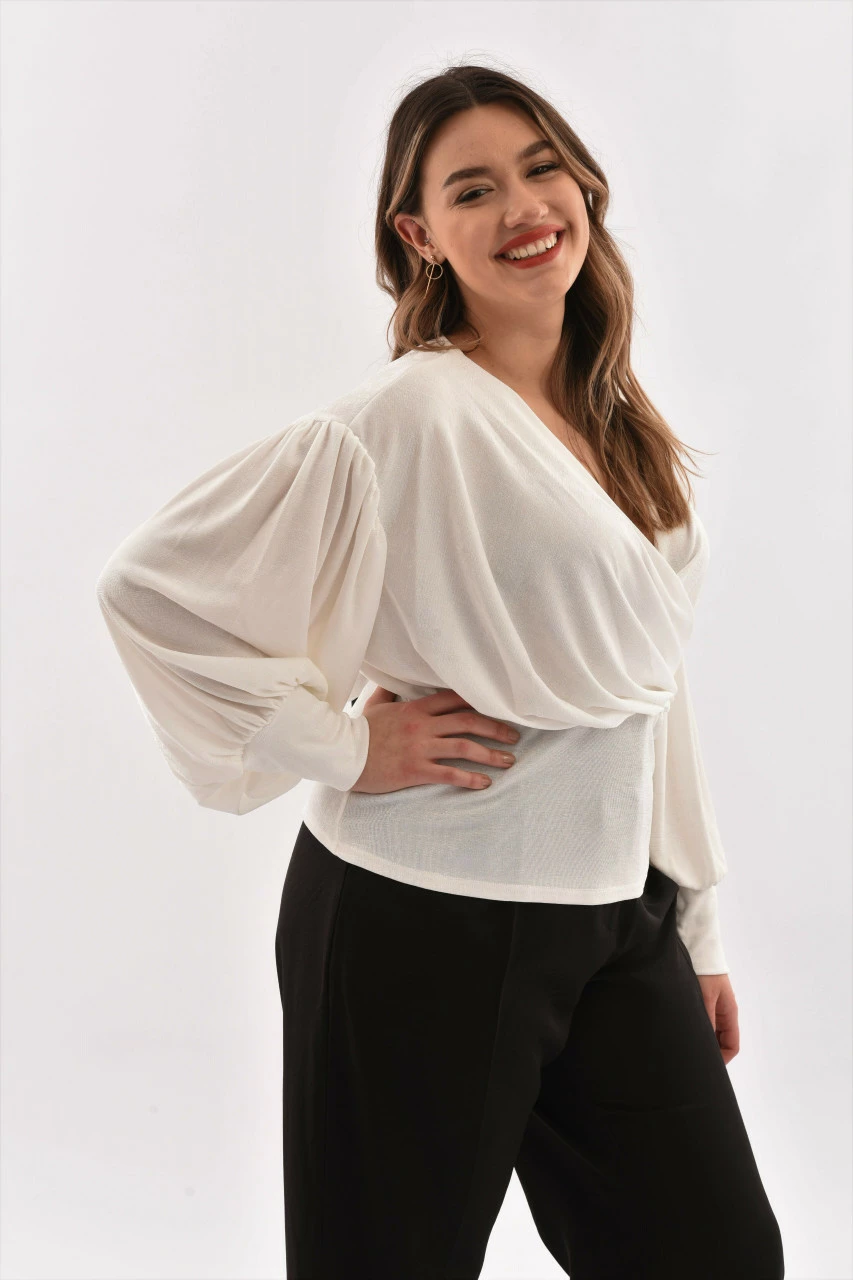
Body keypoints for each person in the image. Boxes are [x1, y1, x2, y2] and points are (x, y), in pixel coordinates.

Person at [96, 63, 785, 1280]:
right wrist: (345, 746)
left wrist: (697, 923)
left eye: (539, 169)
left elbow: (651, 682)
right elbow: (149, 590)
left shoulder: (616, 413)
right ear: (419, 236)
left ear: (583, 186)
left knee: (718, 1253)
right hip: (422, 920)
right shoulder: (406, 417)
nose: (523, 206)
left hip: (617, 917)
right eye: (472, 190)